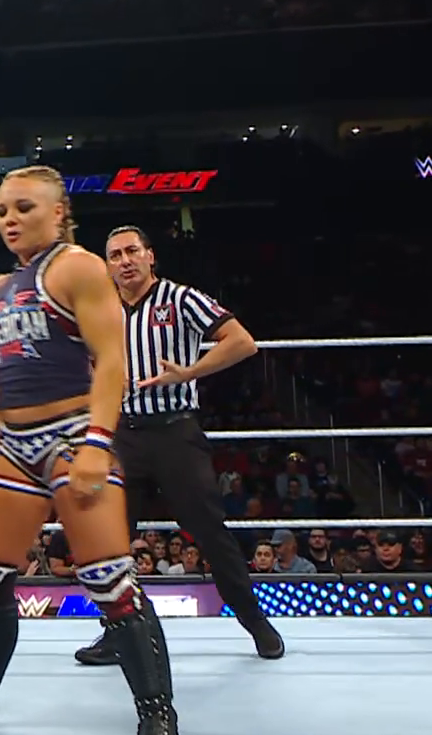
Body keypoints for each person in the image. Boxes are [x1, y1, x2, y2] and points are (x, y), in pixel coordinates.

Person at [0, 164, 181, 735]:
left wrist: (98, 442)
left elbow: (112, 361)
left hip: (73, 432)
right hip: (13, 443)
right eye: (2, 211)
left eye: (24, 208)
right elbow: (1, 381)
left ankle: (158, 717)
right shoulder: (0, 289)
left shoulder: (78, 268)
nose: (10, 220)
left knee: (110, 580)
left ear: (59, 212)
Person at [70, 225, 284, 666]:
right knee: (110, 540)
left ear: (150, 256)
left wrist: (189, 372)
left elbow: (242, 342)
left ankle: (255, 622)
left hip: (174, 432)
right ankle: (117, 633)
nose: (125, 261)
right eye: (115, 255)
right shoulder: (99, 307)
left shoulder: (180, 298)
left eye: (132, 251)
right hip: (121, 436)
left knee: (209, 531)